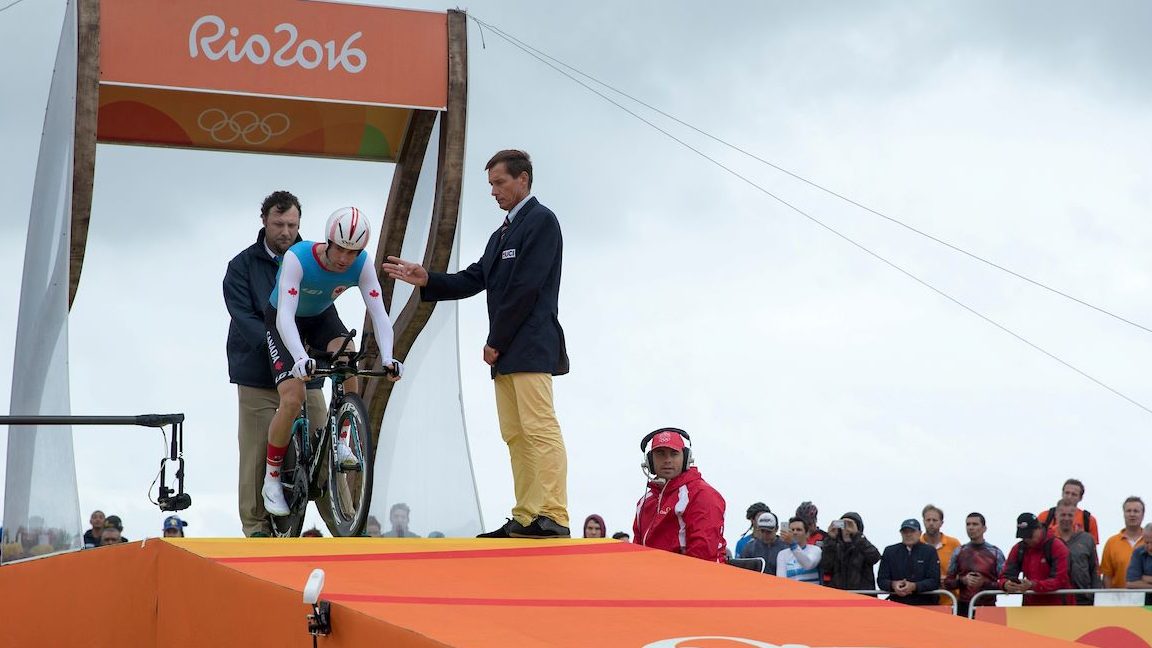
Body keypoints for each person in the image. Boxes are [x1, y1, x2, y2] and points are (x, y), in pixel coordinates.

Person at [383, 150, 569, 540]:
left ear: (523, 179)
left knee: (539, 429)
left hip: (531, 345)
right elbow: (473, 278)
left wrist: (495, 340)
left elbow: (526, 287)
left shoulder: (542, 221)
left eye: (500, 183)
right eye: (490, 185)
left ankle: (553, 513)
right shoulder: (501, 234)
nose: (494, 191)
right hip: (508, 352)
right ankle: (527, 514)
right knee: (515, 434)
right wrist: (427, 279)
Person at [261, 206, 402, 517]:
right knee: (293, 398)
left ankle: (343, 438)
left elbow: (379, 314)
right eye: (340, 250)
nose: (345, 259)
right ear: (328, 242)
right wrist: (300, 358)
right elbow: (284, 315)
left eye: (354, 253)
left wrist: (390, 357)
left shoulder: (362, 264)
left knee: (348, 356)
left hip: (321, 317)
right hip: (285, 318)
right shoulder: (298, 258)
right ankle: (271, 478)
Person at [224, 191, 333, 536]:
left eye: (292, 224)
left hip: (306, 372)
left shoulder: (316, 260)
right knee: (256, 451)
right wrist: (281, 351)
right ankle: (255, 527)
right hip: (258, 374)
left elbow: (325, 310)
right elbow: (245, 319)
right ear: (264, 221)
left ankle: (344, 523)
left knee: (324, 445)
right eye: (278, 224)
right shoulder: (242, 266)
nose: (286, 231)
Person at [633, 428, 727, 562]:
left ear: (686, 458)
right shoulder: (644, 502)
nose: (667, 460)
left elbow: (702, 558)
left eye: (674, 453)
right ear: (650, 461)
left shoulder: (702, 494)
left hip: (699, 579)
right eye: (660, 453)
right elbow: (636, 553)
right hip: (654, 579)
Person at [998, 512, 1073, 605]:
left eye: (1029, 535)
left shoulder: (1057, 547)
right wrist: (1006, 584)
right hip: (1030, 609)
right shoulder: (1019, 549)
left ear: (1039, 529)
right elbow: (1004, 576)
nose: (1026, 539)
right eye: (1023, 536)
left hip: (1059, 607)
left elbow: (1060, 580)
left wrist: (1033, 585)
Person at [943, 512, 1006, 617]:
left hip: (988, 607)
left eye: (975, 524)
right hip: (963, 608)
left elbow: (1005, 583)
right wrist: (963, 581)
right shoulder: (959, 551)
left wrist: (984, 583)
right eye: (968, 524)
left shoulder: (996, 552)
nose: (971, 528)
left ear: (984, 528)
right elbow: (948, 583)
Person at [877, 518, 940, 605]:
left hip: (925, 605)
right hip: (896, 605)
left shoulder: (929, 551)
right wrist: (893, 585)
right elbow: (881, 580)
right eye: (905, 532)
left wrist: (914, 586)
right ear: (901, 533)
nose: (908, 534)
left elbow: (934, 581)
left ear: (920, 533)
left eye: (912, 531)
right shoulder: (890, 551)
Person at [1054, 498, 1100, 604]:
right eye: (1063, 515)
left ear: (1075, 515)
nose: (1066, 518)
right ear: (1056, 515)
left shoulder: (1087, 539)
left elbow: (1094, 569)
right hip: (1055, 598)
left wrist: (1096, 596)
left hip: (1083, 598)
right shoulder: (1049, 539)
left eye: (1070, 515)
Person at [820, 512, 881, 591]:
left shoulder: (863, 545)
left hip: (861, 597)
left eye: (850, 524)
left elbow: (875, 557)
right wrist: (830, 539)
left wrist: (857, 535)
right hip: (838, 596)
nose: (846, 528)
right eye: (843, 524)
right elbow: (826, 567)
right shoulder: (833, 546)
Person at [1102, 496, 1146, 589]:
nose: (1132, 514)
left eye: (1136, 511)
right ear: (1124, 514)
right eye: (1128, 511)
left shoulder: (1149, 541)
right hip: (1119, 599)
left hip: (1147, 599)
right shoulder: (1112, 542)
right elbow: (1107, 576)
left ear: (1142, 515)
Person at [1037, 478, 1099, 544]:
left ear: (1080, 498)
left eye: (1074, 494)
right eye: (1067, 493)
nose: (1069, 497)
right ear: (1062, 493)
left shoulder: (1089, 520)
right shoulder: (1045, 516)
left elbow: (1091, 548)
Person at [921, 504, 962, 606]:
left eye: (934, 520)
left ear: (941, 523)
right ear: (923, 521)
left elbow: (962, 569)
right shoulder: (917, 544)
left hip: (950, 601)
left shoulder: (954, 543)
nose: (931, 523)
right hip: (923, 600)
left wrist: (949, 580)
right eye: (928, 520)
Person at [776, 517, 823, 584]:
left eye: (798, 530)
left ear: (807, 534)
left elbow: (808, 565)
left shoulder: (815, 550)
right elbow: (781, 581)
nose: (795, 532)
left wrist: (793, 545)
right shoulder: (782, 554)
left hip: (813, 593)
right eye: (792, 530)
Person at [1125, 523, 1152, 604]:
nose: (1150, 547)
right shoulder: (1138, 552)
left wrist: (1145, 578)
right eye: (1147, 543)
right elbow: (1131, 583)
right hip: (1143, 604)